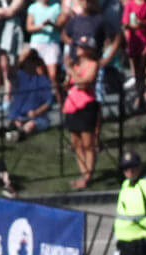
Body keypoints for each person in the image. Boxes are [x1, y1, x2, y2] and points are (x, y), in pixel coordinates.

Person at [60, 37, 98, 188]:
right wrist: (67, 74)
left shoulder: (93, 64)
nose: (78, 49)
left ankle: (88, 175)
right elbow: (68, 84)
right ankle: (83, 173)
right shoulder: (75, 65)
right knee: (76, 143)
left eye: (82, 46)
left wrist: (70, 71)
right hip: (72, 105)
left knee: (88, 143)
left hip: (86, 106)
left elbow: (83, 84)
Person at [4, 47, 52, 137]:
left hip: (36, 117)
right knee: (16, 121)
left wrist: (37, 112)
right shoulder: (20, 75)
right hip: (19, 115)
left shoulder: (42, 79)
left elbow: (48, 101)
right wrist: (21, 58)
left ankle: (20, 134)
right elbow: (10, 75)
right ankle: (16, 129)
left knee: (31, 125)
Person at [120, 0, 146, 110]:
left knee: (145, 69)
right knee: (138, 72)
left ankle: (145, 94)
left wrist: (142, 23)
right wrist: (131, 26)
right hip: (134, 42)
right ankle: (140, 97)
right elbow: (125, 23)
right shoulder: (130, 4)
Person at [26, 0, 63, 73]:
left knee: (53, 74)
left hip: (52, 44)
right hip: (37, 44)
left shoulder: (57, 7)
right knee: (39, 73)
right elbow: (29, 27)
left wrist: (51, 24)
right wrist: (42, 26)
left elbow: (60, 27)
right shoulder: (33, 7)